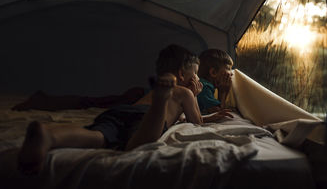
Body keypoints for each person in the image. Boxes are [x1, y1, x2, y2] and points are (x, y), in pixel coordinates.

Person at [17, 44, 232, 175]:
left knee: (97, 136)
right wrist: (193, 96)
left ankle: (48, 137)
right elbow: (197, 123)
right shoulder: (183, 93)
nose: (197, 80)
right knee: (136, 143)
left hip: (123, 111)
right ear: (182, 75)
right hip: (146, 116)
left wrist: (212, 113)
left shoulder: (155, 91)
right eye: (195, 75)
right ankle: (159, 106)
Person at [197, 49, 234, 114]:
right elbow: (218, 112)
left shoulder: (204, 84)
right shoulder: (204, 87)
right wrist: (222, 92)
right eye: (228, 68)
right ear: (213, 72)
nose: (232, 73)